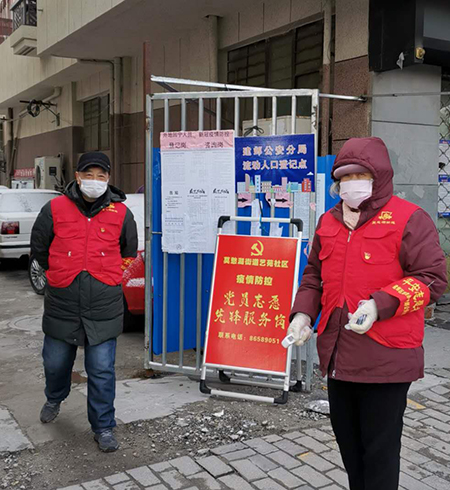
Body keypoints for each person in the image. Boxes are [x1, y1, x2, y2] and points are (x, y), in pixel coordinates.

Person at [288, 137, 447, 490]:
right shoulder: (328, 222)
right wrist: (302, 315)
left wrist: (379, 304)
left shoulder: (409, 219)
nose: (352, 182)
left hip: (386, 358)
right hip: (338, 357)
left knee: (379, 454)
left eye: (361, 174)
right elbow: (313, 276)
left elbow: (432, 279)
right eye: (345, 176)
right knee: (350, 450)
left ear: (380, 178)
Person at [31, 152, 138, 452]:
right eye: (88, 175)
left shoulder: (121, 214)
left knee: (102, 369)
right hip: (62, 303)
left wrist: (111, 276)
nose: (95, 181)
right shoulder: (54, 209)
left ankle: (103, 426)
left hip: (103, 306)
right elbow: (39, 248)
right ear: (77, 177)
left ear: (108, 179)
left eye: (101, 176)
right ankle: (55, 396)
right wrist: (60, 274)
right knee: (55, 362)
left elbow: (129, 250)